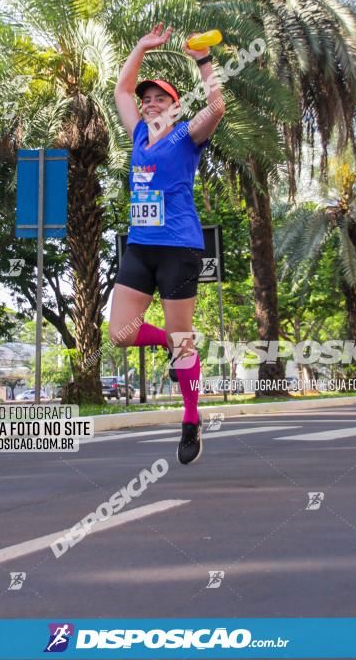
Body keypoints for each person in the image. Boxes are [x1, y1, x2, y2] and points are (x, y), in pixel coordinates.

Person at [110, 23, 225, 464]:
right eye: (148, 98)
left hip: (179, 248)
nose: (150, 102)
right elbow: (122, 88)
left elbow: (217, 105)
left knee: (184, 341)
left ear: (175, 108)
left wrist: (202, 60)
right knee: (121, 333)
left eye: (161, 98)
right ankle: (168, 344)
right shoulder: (138, 134)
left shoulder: (187, 136)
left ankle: (191, 419)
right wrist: (140, 45)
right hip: (140, 246)